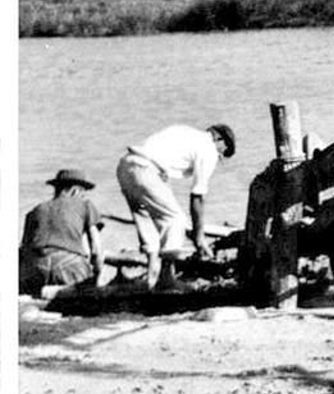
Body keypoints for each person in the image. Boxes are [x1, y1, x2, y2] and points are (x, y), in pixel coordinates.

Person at [116, 122, 236, 289]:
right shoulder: (208, 148)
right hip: (145, 169)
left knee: (146, 217)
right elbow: (198, 196)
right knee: (175, 219)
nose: (220, 158)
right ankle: (166, 278)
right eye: (222, 152)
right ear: (219, 139)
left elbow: (161, 171)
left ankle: (151, 278)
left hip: (126, 165)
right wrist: (199, 237)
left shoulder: (184, 132)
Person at [19, 169, 105, 296]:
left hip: (33, 268)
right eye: (83, 193)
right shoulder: (86, 205)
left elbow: (22, 250)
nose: (83, 197)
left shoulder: (35, 211)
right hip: (68, 266)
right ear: (75, 190)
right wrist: (97, 276)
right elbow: (96, 250)